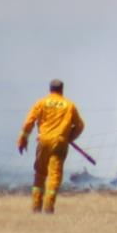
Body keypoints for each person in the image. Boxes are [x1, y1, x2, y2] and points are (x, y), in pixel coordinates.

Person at [16, 78, 85, 214]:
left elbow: (29, 122)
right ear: (62, 89)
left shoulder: (41, 102)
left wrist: (22, 140)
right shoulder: (69, 105)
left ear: (50, 89)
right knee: (55, 175)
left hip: (43, 141)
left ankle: (36, 207)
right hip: (59, 143)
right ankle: (49, 207)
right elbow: (80, 126)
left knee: (40, 174)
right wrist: (69, 137)